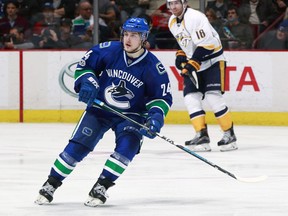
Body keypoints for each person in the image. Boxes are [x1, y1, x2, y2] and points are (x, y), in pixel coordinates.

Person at [34, 17, 173, 206]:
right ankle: (51, 183)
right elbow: (84, 67)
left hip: (130, 116)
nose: (128, 39)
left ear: (144, 38)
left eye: (134, 35)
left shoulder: (154, 67)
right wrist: (87, 82)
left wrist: (156, 117)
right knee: (78, 146)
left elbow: (161, 98)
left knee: (128, 148)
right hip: (100, 108)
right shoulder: (108, 50)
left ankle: (102, 186)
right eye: (126, 34)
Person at [167, 0, 238, 152]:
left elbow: (207, 45)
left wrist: (192, 63)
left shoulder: (196, 17)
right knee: (190, 98)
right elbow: (183, 42)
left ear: (184, 3)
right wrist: (181, 55)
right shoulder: (172, 21)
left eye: (176, 3)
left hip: (212, 61)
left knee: (213, 97)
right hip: (196, 61)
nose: (173, 7)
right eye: (169, 4)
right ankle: (201, 135)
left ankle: (229, 134)